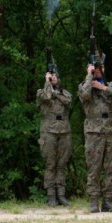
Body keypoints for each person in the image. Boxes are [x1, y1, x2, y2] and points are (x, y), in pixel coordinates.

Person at [78, 55, 112, 213]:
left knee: (110, 167)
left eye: (100, 69)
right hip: (94, 132)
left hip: (111, 131)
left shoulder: (111, 86)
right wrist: (89, 76)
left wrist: (104, 88)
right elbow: (84, 95)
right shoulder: (85, 86)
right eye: (95, 69)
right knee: (94, 166)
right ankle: (93, 200)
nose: (98, 71)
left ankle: (107, 201)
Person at [36, 67, 72, 207]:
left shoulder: (65, 93)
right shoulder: (41, 92)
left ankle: (61, 194)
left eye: (56, 75)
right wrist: (47, 84)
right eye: (51, 75)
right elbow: (46, 97)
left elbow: (68, 101)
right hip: (48, 132)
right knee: (50, 164)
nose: (54, 77)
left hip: (64, 131)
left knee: (61, 165)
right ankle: (51, 195)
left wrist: (56, 93)